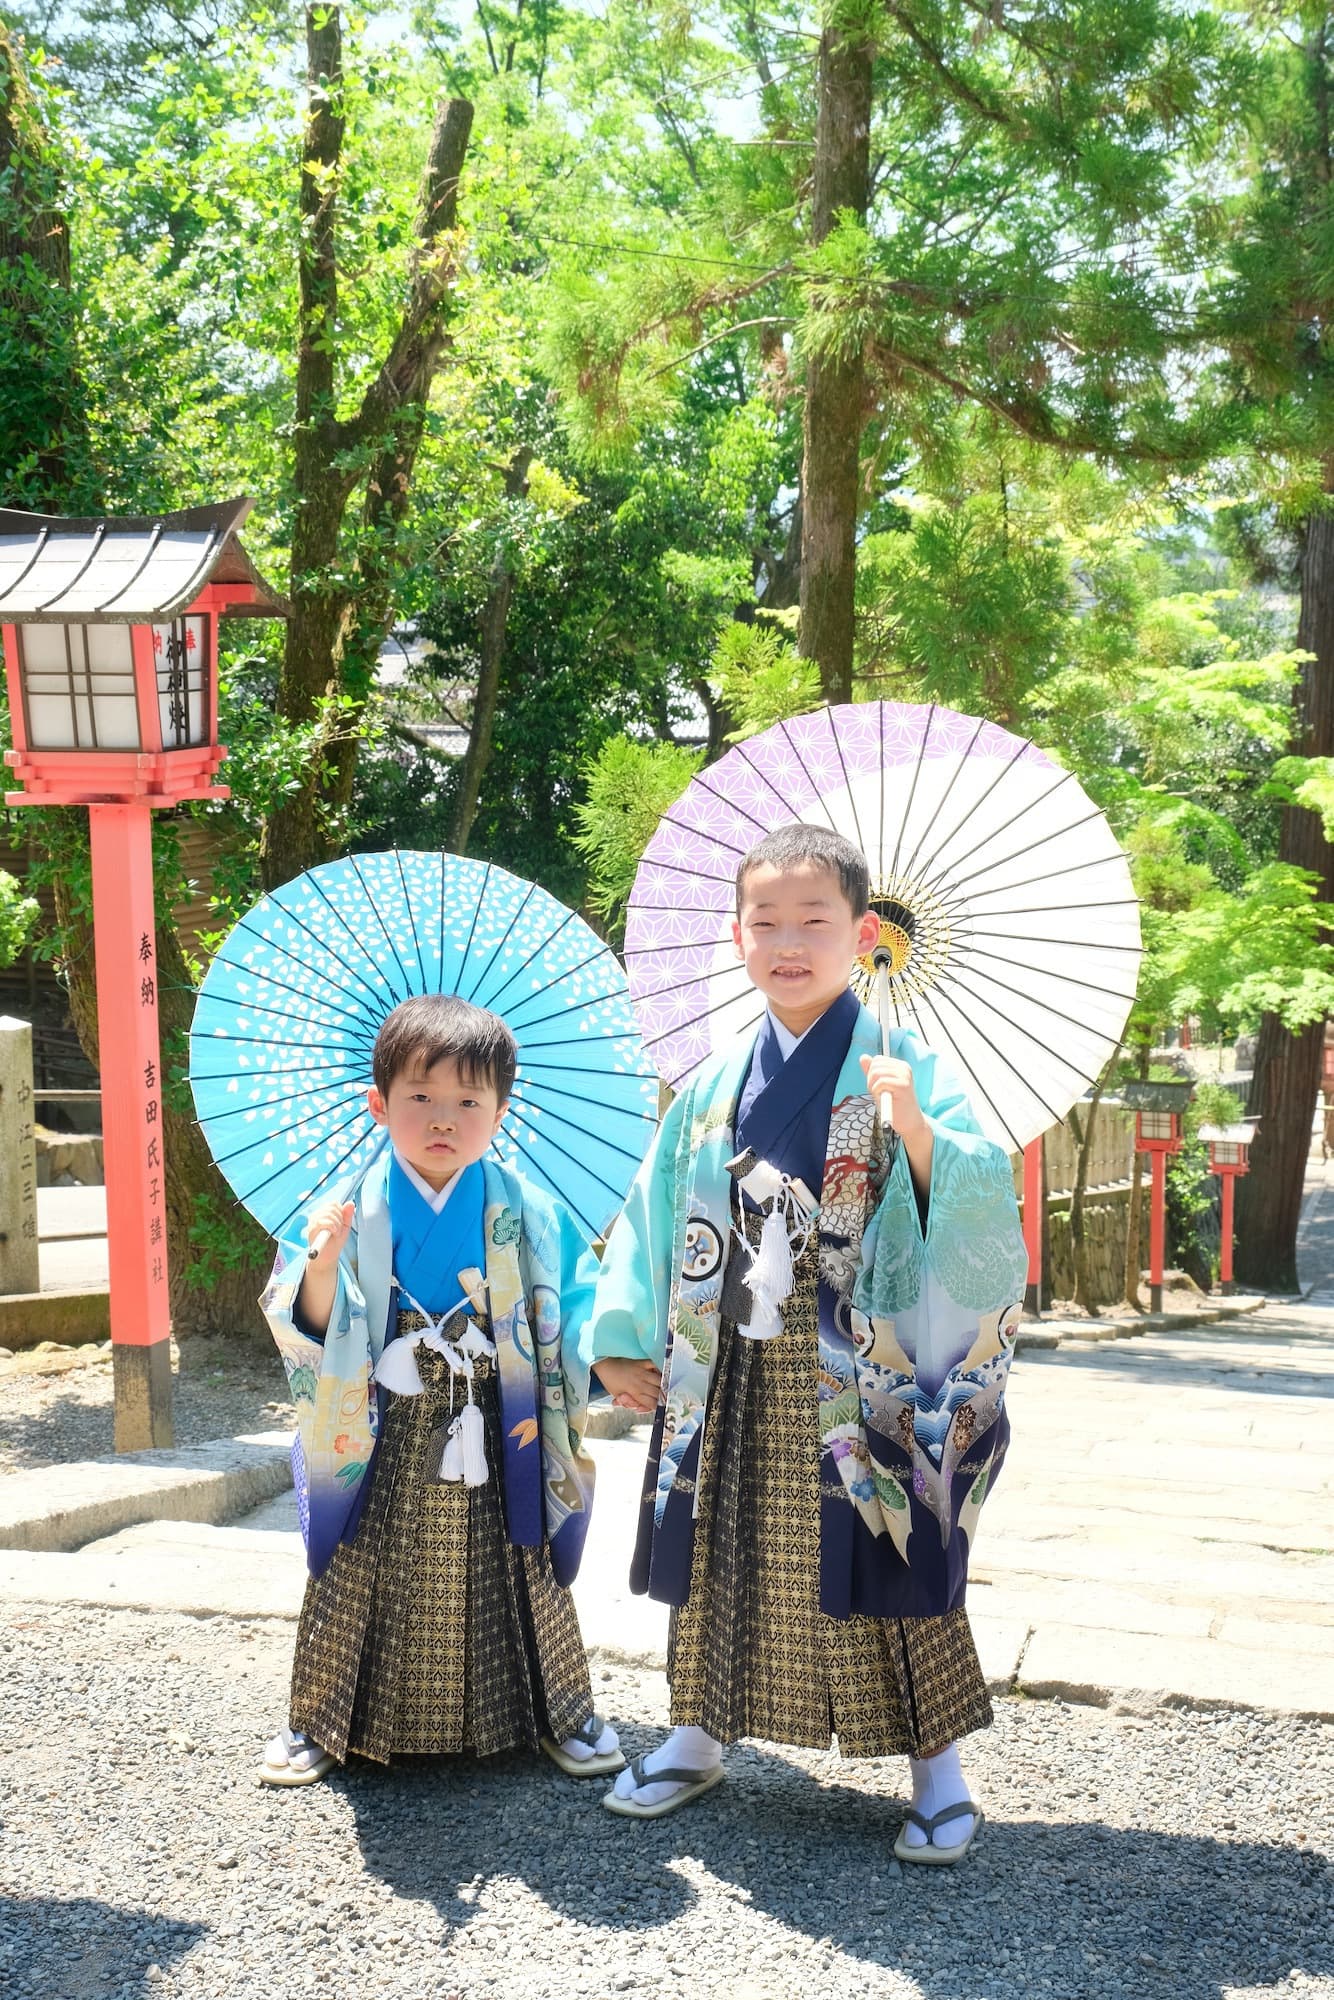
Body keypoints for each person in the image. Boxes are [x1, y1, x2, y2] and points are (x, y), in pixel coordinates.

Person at [586, 823, 1027, 1862]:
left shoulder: (901, 1061)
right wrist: (615, 1336)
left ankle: (937, 1770)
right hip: (725, 1350)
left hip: (863, 1362)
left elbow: (976, 1192)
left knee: (893, 1539)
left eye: (812, 920)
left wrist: (915, 1130)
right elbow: (654, 1209)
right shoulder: (711, 1080)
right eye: (764, 921)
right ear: (736, 936)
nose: (787, 941)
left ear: (861, 932)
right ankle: (695, 1733)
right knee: (713, 1530)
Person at [256, 993, 622, 1787]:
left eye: (469, 1100)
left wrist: (608, 1363)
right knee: (359, 1560)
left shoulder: (525, 1208)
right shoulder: (349, 1206)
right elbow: (311, 1326)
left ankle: (553, 1712)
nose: (443, 1118)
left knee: (517, 1554)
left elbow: (576, 1308)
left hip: (497, 1413)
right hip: (384, 1413)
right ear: (378, 1104)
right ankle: (325, 1718)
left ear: (501, 1109)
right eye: (420, 1097)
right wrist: (322, 1268)